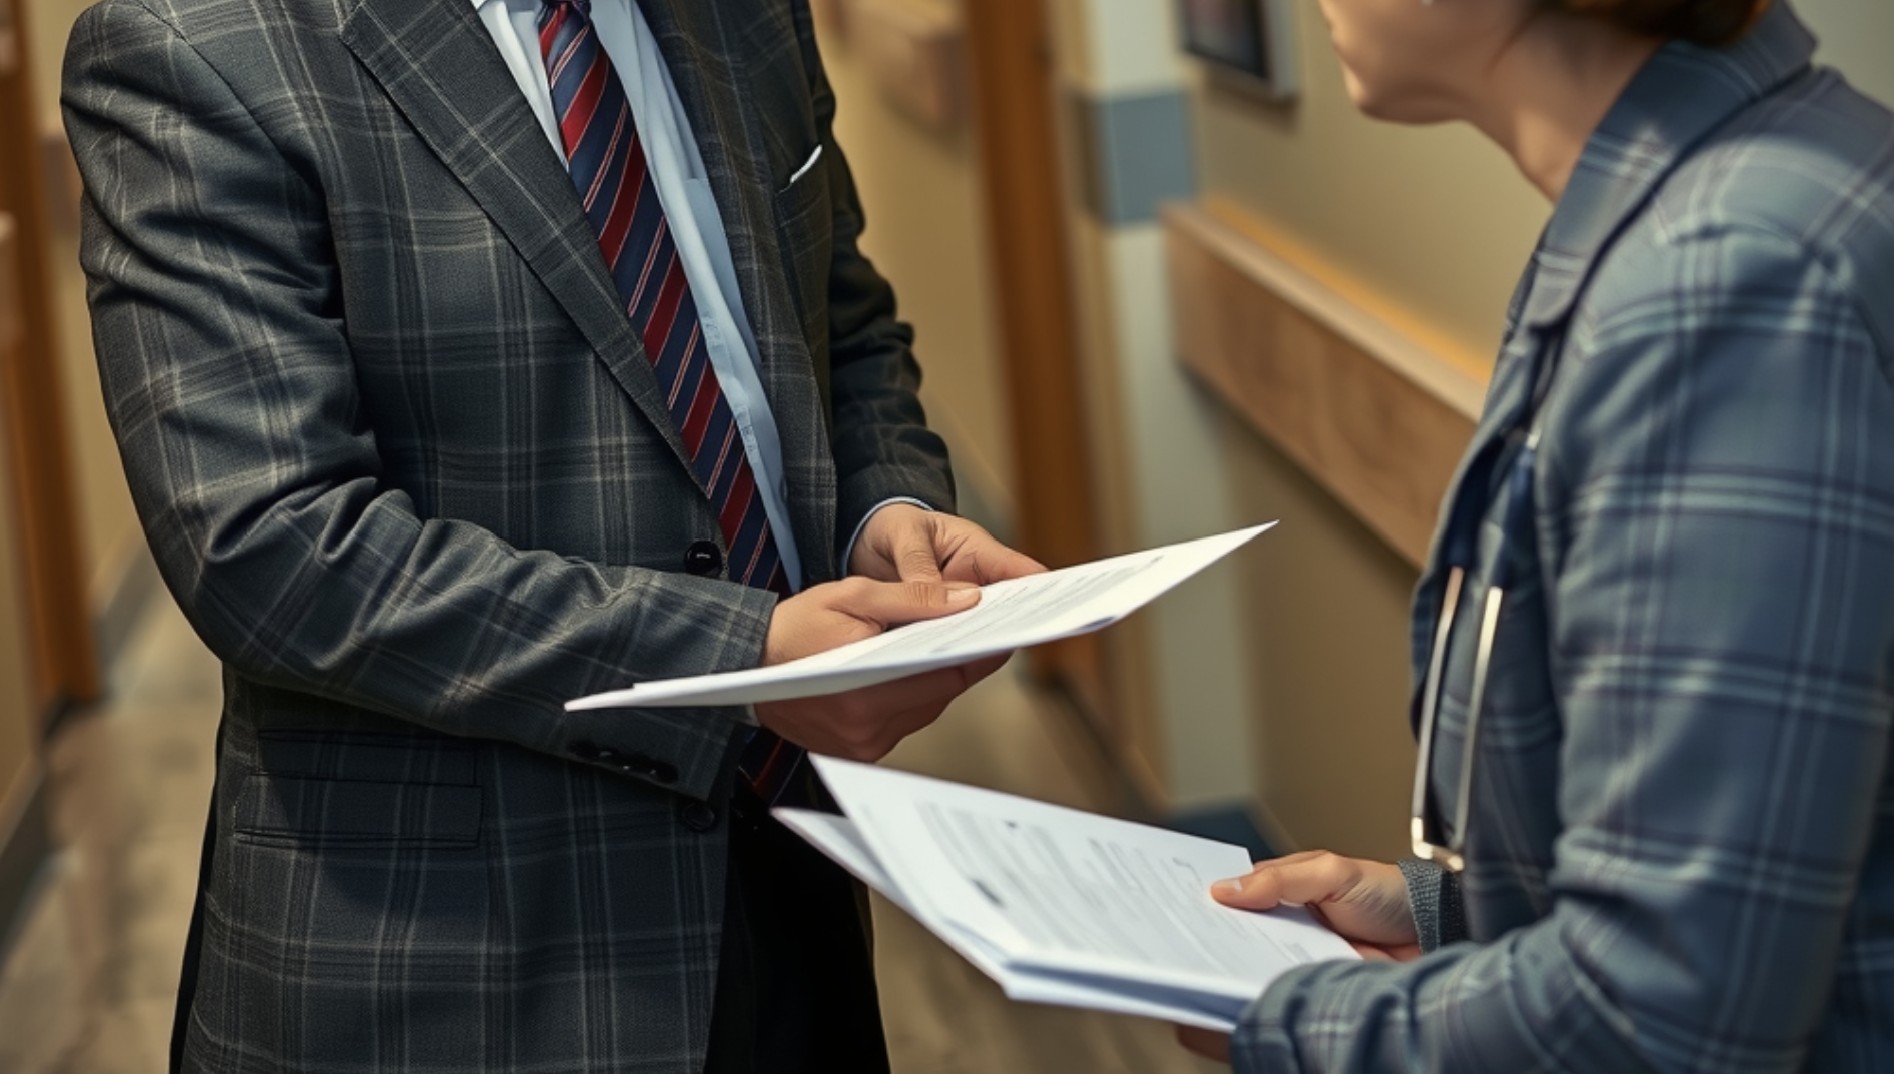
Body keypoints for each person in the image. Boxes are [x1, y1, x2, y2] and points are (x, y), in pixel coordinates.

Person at [60, 0, 1041, 1071]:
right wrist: (739, 660)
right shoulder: (196, 43)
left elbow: (843, 323)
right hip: (454, 962)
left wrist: (885, 510)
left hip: (793, 882)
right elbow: (270, 548)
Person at [1179, 0, 1894, 1070]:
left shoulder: (1723, 281)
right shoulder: (1732, 189)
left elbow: (1664, 1017)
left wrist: (1282, 1019)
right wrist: (1441, 914)